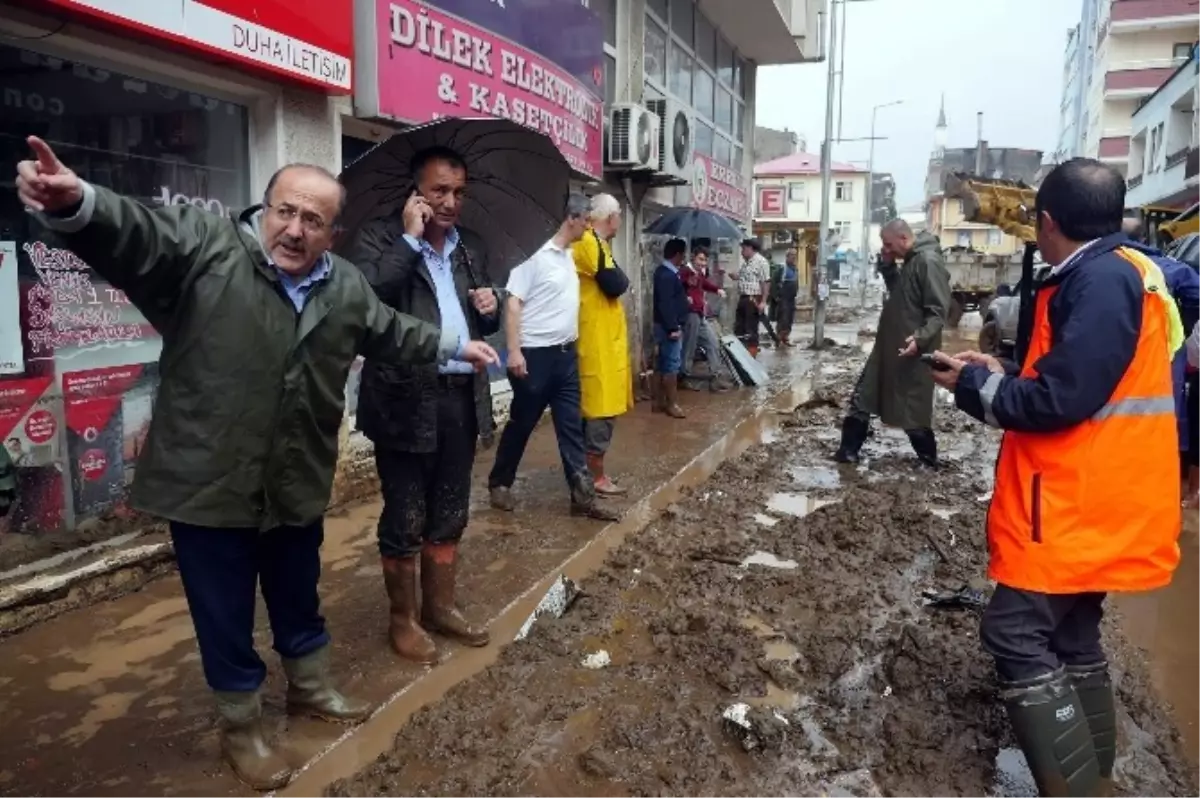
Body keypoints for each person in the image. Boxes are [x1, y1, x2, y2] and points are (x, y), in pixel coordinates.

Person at [15, 135, 498, 791]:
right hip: (210, 481)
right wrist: (81, 202)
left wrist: (455, 344)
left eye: (312, 221)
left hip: (295, 475)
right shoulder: (207, 251)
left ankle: (310, 689)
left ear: (334, 232)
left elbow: (389, 329)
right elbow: (139, 233)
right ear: (264, 209)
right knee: (225, 611)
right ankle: (242, 725)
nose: (294, 230)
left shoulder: (345, 285)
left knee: (299, 594)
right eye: (284, 212)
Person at [930, 158, 1182, 798]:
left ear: (1046, 223)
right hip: (1108, 491)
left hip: (1076, 499)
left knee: (1013, 631)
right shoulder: (1124, 273)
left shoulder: (1099, 282)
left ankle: (1077, 790)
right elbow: (1077, 377)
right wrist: (999, 370)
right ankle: (1097, 779)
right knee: (1071, 633)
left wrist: (974, 384)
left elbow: (1057, 402)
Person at [343, 146, 500, 664]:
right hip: (403, 399)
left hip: (460, 397)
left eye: (459, 192)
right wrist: (410, 240)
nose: (451, 202)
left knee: (451, 509)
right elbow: (365, 300)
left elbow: (480, 323)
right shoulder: (380, 238)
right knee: (405, 512)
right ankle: (403, 620)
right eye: (439, 191)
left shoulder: (471, 246)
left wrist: (491, 308)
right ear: (416, 191)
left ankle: (441, 607)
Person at [488, 194, 618, 522]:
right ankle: (500, 483)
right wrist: (514, 351)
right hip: (535, 357)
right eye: (586, 221)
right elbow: (513, 304)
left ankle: (582, 496)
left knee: (571, 427)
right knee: (522, 423)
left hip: (565, 356)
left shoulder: (569, 256)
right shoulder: (533, 256)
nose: (589, 228)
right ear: (571, 219)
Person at [833, 219, 951, 468]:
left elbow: (938, 312)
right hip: (889, 348)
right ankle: (847, 452)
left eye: (888, 245)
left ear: (904, 239)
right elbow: (901, 293)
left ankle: (929, 461)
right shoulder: (911, 261)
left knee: (911, 409)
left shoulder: (928, 262)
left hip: (911, 351)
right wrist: (887, 268)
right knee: (863, 398)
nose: (886, 249)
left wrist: (919, 339)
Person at [572, 193, 634, 497]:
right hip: (595, 342)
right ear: (612, 217)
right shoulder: (588, 242)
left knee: (600, 409)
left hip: (603, 341)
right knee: (599, 411)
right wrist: (623, 280)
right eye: (619, 215)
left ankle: (589, 473)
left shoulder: (598, 244)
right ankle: (594, 477)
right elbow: (616, 283)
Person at [679, 247, 732, 392]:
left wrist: (717, 290)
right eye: (700, 259)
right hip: (690, 314)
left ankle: (715, 377)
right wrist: (686, 293)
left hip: (700, 314)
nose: (703, 263)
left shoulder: (699, 273)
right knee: (689, 347)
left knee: (712, 342)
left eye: (705, 261)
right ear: (693, 258)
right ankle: (683, 376)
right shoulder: (685, 272)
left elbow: (705, 284)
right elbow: (680, 286)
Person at [653, 238, 691, 418]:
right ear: (678, 254)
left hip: (665, 324)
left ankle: (660, 401)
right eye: (683, 254)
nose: (684, 258)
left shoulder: (665, 272)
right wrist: (673, 327)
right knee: (671, 365)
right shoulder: (667, 275)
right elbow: (665, 303)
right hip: (669, 326)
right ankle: (672, 404)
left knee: (663, 362)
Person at [730, 238, 770, 357]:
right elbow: (743, 277)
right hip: (743, 297)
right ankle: (741, 354)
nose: (742, 252)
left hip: (753, 298)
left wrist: (763, 301)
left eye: (743, 249)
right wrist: (733, 276)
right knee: (739, 327)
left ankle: (751, 354)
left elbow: (766, 282)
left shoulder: (761, 262)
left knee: (751, 327)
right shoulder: (746, 263)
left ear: (750, 248)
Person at [776, 247, 801, 346]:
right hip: (784, 297)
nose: (794, 258)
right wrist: (776, 296)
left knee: (790, 318)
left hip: (792, 298)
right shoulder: (782, 268)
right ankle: (778, 338)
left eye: (795, 256)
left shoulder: (795, 268)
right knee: (783, 318)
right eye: (792, 256)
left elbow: (796, 281)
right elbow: (773, 282)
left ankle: (785, 337)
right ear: (787, 256)